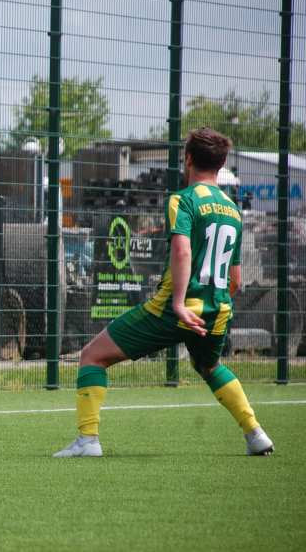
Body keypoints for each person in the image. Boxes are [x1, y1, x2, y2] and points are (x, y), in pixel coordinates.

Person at [54, 127, 274, 458]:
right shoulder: (232, 209)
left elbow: (182, 251)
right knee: (209, 366)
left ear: (187, 159)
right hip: (217, 309)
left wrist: (179, 304)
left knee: (92, 357)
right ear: (222, 163)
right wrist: (213, 305)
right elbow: (236, 279)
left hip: (174, 310)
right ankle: (255, 433)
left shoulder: (182, 201)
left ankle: (88, 441)